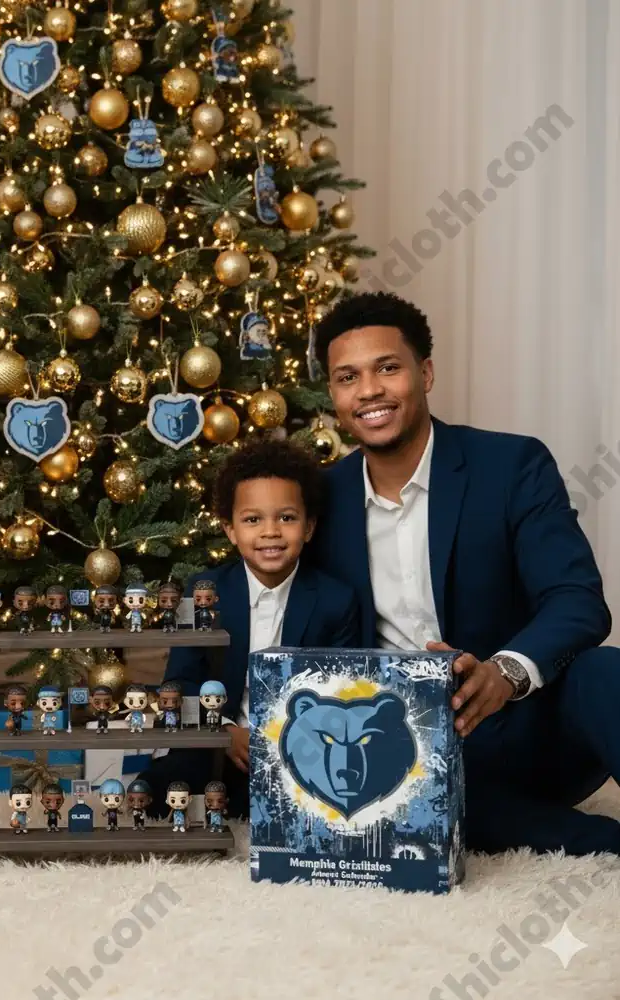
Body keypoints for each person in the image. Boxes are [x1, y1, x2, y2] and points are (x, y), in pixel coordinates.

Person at [308, 290, 620, 856]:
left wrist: (504, 674)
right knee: (418, 813)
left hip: (525, 726)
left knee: (604, 671)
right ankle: (594, 840)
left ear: (424, 373)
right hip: (407, 751)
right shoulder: (319, 501)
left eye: (387, 368)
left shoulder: (512, 465)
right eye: (347, 377)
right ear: (333, 394)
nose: (369, 391)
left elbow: (577, 600)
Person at [136, 439, 359, 819]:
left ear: (309, 527)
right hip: (222, 741)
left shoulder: (336, 599)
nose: (270, 532)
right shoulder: (205, 592)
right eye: (253, 520)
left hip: (302, 747)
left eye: (286, 518)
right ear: (230, 529)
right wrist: (225, 733)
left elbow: (342, 692)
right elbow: (182, 683)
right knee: (164, 785)